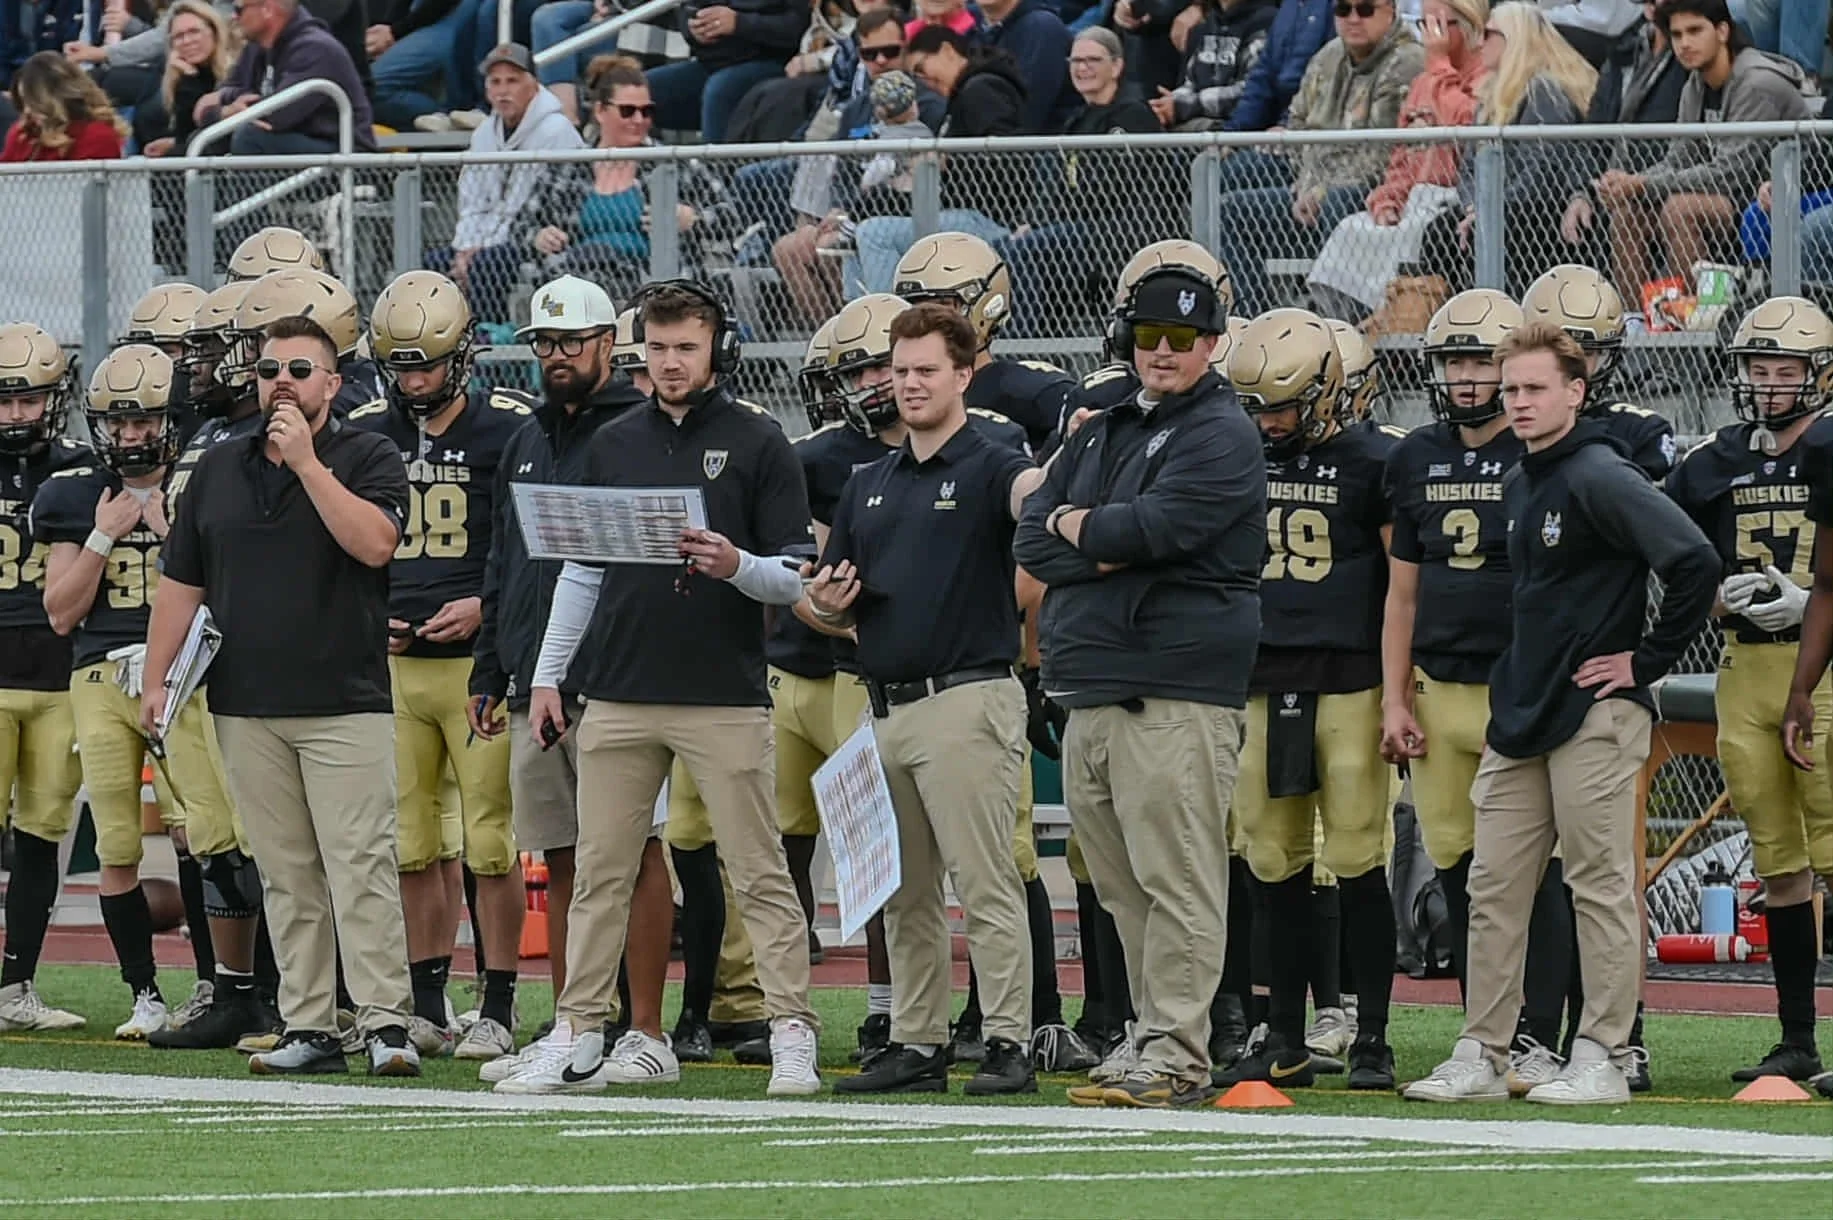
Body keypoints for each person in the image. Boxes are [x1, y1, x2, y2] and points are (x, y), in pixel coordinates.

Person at [503, 281, 821, 1097]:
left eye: (687, 346)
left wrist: (735, 565)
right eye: (659, 346)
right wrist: (548, 676)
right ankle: (579, 1032)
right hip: (616, 689)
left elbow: (795, 578)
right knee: (600, 869)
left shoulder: (759, 441)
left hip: (721, 692)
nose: (672, 362)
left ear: (718, 348)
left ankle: (792, 1028)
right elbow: (580, 569)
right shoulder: (614, 441)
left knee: (757, 868)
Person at [1404, 322, 1716, 1105]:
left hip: (1594, 714)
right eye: (1510, 389)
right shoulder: (1520, 477)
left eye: (1534, 388)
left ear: (1575, 392)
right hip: (1521, 712)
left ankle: (1604, 1054)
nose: (1518, 401)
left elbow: (1692, 561)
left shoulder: (1598, 474)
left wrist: (1643, 663)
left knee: (1599, 884)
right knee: (1492, 884)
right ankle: (1483, 1049)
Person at [143, 314, 419, 1078]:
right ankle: (309, 1024)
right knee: (286, 873)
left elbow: (374, 543)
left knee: (359, 863)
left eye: (300, 370)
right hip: (245, 701)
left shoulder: (368, 452)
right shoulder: (221, 466)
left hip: (344, 699)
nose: (283, 384)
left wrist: (305, 464)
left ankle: (387, 1022)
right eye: (269, 371)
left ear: (333, 382)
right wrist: (158, 678)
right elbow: (181, 581)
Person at [1015, 264, 1263, 1108]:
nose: (1164, 352)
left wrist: (1083, 527)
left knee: (1179, 877)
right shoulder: (1101, 427)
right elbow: (1030, 538)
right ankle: (1149, 1034)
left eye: (1183, 340)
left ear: (1212, 345)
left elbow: (1161, 526)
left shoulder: (1222, 431)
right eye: (1151, 336)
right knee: (1121, 886)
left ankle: (1177, 1052)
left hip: (1174, 687)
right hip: (1091, 683)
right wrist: (1093, 536)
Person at [808, 302, 1047, 1097]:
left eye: (924, 371)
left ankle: (1009, 1037)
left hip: (965, 698)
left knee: (984, 881)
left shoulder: (989, 460)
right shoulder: (866, 482)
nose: (906, 384)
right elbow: (820, 602)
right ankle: (918, 1039)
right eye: (897, 370)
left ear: (963, 376)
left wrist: (1062, 476)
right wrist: (827, 604)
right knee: (902, 893)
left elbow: (1029, 497)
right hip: (884, 702)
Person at [466, 274, 660, 1081]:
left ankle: (644, 1027)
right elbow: (504, 556)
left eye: (570, 343)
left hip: (612, 676)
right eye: (543, 344)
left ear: (608, 344)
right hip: (529, 676)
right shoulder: (527, 437)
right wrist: (490, 663)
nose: (554, 357)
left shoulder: (639, 432)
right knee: (562, 852)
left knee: (639, 851)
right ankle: (576, 1026)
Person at [348, 269, 531, 1064]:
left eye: (425, 364)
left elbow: (533, 548)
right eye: (399, 367)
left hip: (472, 669)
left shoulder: (507, 431)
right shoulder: (362, 429)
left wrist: (486, 611)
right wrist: (364, 611)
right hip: (391, 666)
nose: (412, 381)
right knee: (411, 844)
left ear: (461, 357)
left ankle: (496, 1005)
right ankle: (426, 1001)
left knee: (490, 842)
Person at [1217, 307, 1402, 1093]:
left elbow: (1403, 584)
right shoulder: (1236, 457)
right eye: (1255, 405)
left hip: (1350, 680)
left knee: (1358, 860)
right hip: (1261, 680)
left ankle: (1372, 1036)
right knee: (1271, 863)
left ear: (1327, 393)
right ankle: (1285, 1032)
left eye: (1282, 405)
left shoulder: (1375, 463)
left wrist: (1400, 691)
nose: (1268, 421)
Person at [31, 344, 224, 1042]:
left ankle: (216, 982)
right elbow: (59, 611)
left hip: (184, 670)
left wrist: (172, 533)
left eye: (143, 420)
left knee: (203, 832)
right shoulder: (75, 491)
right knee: (115, 840)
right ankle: (144, 992)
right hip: (99, 672)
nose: (131, 435)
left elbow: (226, 589)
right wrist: (102, 539)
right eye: (118, 422)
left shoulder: (200, 482)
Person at [1672, 297, 1832, 1084]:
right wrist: (1713, 595)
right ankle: (1797, 1040)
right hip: (1743, 668)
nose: (1768, 386)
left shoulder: (1831, 447)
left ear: (1817, 376)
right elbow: (1673, 558)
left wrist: (1816, 606)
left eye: (1784, 371)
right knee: (1776, 862)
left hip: (1824, 668)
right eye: (1757, 370)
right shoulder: (1710, 460)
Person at [1593, 0, 1810, 310]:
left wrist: (1643, 184)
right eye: (1677, 35)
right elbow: (1679, 159)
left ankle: (1699, 326)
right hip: (1727, 199)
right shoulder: (1695, 85)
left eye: (1695, 31)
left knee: (1681, 209)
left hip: (1772, 200)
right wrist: (1628, 184)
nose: (1685, 43)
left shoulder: (1758, 83)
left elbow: (1730, 174)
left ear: (1722, 31)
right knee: (1628, 215)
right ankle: (1637, 328)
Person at [1212, 0, 1424, 317]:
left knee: (1337, 202)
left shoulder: (1406, 61)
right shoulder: (1329, 55)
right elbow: (1297, 123)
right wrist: (1308, 184)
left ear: (1390, 12)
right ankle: (1252, 323)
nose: (1353, 18)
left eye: (1365, 10)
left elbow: (1382, 154)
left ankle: (1340, 329)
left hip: (1373, 194)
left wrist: (1319, 189)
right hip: (1313, 187)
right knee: (1231, 199)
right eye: (1343, 10)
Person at [0, 323, 92, 1033]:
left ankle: (16, 983)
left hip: (61, 677)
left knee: (42, 832)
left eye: (29, 400)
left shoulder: (83, 470)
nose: (16, 415)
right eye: (5, 401)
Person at [520, 56, 732, 304]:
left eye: (647, 111)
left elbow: (732, 217)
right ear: (600, 110)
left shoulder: (674, 162)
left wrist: (694, 219)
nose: (639, 120)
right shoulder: (568, 167)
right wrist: (539, 236)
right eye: (628, 111)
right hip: (577, 292)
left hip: (658, 294)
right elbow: (521, 227)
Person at [997, 28, 1166, 338]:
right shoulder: (1077, 120)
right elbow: (1057, 184)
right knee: (1002, 246)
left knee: (1028, 248)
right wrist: (1033, 220)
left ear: (1116, 66)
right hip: (1079, 226)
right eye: (1076, 60)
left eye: (1092, 60)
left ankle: (1019, 343)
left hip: (1117, 232)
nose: (1082, 68)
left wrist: (1043, 222)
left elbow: (1106, 189)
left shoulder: (1132, 116)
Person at [848, 29, 1029, 295]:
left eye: (922, 68)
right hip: (953, 211)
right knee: (854, 232)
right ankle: (857, 318)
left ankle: (886, 320)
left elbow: (1010, 161)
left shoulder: (981, 90)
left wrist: (947, 162)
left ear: (947, 51)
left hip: (988, 217)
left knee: (874, 233)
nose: (922, 80)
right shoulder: (963, 95)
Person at [425, 43, 585, 324]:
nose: (503, 91)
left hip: (536, 237)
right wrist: (464, 249)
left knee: (488, 265)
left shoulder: (556, 131)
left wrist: (478, 253)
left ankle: (491, 351)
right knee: (433, 266)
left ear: (533, 85)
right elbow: (471, 202)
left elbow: (525, 207)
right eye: (495, 82)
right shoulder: (484, 133)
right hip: (486, 241)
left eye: (512, 81)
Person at [892, 231, 1074, 451]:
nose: (927, 324)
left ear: (987, 305)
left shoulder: (1032, 393)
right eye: (916, 310)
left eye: (943, 306)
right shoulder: (901, 396)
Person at [1520, 263, 1676, 482]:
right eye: (1557, 353)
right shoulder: (1512, 423)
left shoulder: (1636, 432)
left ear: (1606, 357)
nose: (1570, 366)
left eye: (1585, 353)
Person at [197, 0, 378, 156]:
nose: (234, 18)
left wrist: (222, 111)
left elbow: (275, 115)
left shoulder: (315, 48)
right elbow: (222, 95)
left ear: (267, 9)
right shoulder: (256, 47)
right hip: (296, 144)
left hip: (344, 158)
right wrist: (223, 109)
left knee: (250, 137)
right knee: (206, 141)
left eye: (239, 9)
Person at [644, 0, 808, 143]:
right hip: (712, 62)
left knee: (720, 89)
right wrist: (694, 29)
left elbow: (798, 28)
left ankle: (717, 173)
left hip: (773, 64)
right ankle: (627, 171)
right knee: (641, 92)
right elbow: (688, 9)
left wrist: (739, 23)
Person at [1151, 0, 1279, 130]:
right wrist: (1169, 104)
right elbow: (1191, 83)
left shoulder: (1267, 22)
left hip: (1238, 132)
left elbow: (1250, 91)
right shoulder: (1206, 23)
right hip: (1196, 126)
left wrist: (1186, 106)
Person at [131, 1, 236, 155]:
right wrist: (188, 75)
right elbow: (188, 130)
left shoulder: (235, 72)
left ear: (214, 32)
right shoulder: (184, 78)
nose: (187, 41)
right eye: (179, 36)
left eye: (194, 32)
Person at [1, 51, 126, 160]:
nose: (27, 110)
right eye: (24, 102)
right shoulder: (23, 134)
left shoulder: (97, 136)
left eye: (34, 101)